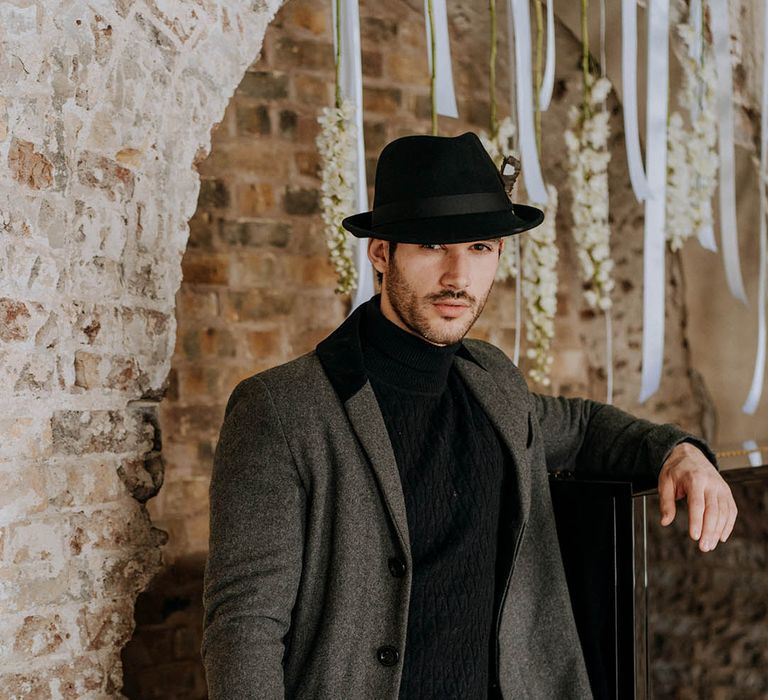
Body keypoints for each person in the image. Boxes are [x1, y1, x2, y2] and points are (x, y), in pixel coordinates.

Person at [201, 131, 737, 700]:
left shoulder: (493, 380)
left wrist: (681, 452)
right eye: (434, 246)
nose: (459, 276)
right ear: (381, 253)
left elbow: (581, 428)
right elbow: (244, 628)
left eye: (480, 247)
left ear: (499, 255)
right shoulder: (283, 409)